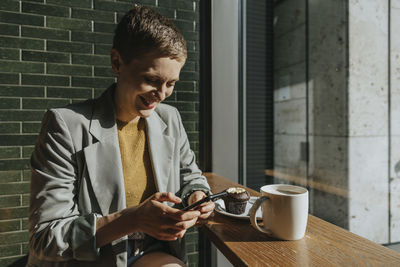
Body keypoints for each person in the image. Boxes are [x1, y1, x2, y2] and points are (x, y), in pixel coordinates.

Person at [27, 6, 214, 267]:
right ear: (117, 63)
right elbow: (45, 238)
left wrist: (198, 195)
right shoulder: (65, 126)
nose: (161, 94)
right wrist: (132, 219)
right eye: (151, 79)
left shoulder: (170, 118)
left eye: (171, 83)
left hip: (151, 253)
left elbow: (190, 175)